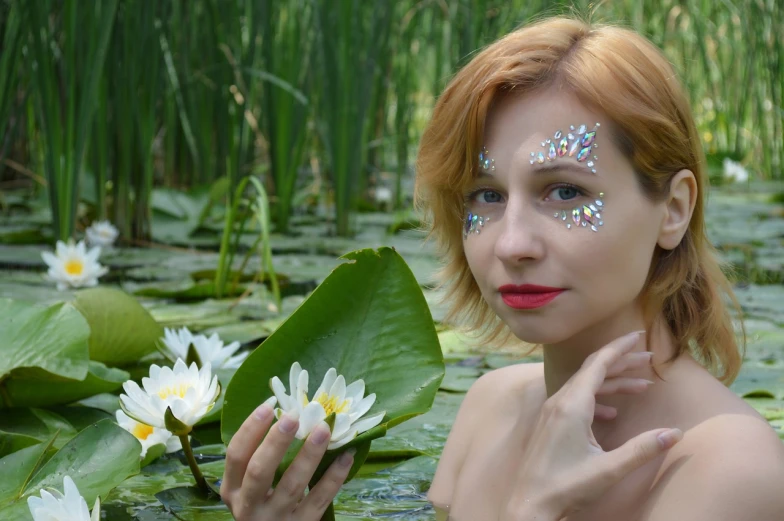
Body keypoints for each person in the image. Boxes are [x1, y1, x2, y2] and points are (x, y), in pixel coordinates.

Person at [220, 16, 784, 521]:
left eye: (565, 191)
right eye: (485, 196)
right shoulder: (488, 407)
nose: (512, 244)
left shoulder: (732, 469)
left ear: (675, 209)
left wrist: (535, 509)